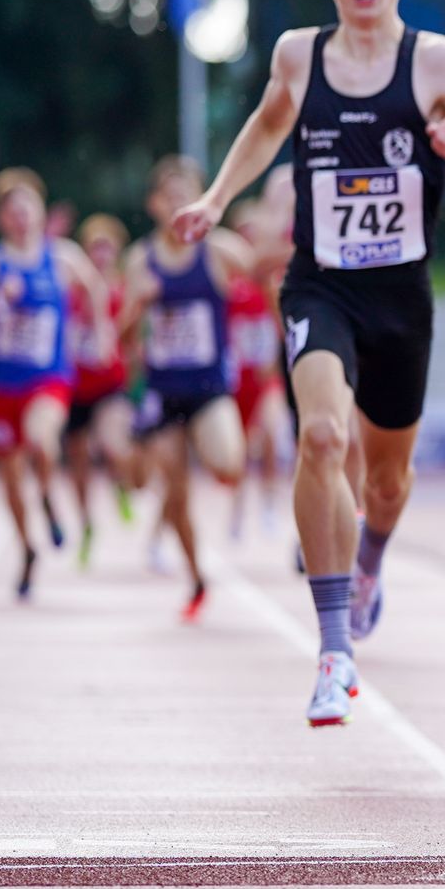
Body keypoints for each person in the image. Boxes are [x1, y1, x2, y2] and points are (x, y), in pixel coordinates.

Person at [173, 0, 445, 727]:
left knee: (386, 479)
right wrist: (219, 198)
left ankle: (370, 556)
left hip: (402, 297)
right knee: (323, 437)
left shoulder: (438, 63)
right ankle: (334, 647)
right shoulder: (300, 55)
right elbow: (267, 127)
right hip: (320, 286)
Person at [0, 168, 107, 599]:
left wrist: (100, 333)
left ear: (41, 213)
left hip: (50, 379)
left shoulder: (60, 257)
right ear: (0, 219)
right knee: (9, 482)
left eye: (28, 207)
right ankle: (27, 548)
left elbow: (96, 288)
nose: (22, 216)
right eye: (12, 210)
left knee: (41, 440)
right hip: (6, 387)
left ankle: (46, 492)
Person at [122, 156, 255, 622]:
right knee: (175, 496)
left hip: (208, 388)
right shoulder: (141, 258)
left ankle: (217, 466)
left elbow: (271, 282)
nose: (178, 202)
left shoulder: (220, 250)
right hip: (162, 392)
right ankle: (197, 575)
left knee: (228, 464)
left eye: (188, 192)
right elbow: (121, 338)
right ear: (155, 204)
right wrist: (138, 305)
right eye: (169, 194)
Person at [64, 213, 142, 560]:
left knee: (114, 445)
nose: (101, 255)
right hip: (75, 386)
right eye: (95, 248)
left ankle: (120, 485)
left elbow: (133, 338)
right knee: (78, 461)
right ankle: (85, 525)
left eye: (107, 248)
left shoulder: (123, 290)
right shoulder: (74, 290)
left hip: (111, 383)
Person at [228, 199, 292, 541]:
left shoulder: (272, 279)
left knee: (270, 433)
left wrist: (275, 358)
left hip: (266, 374)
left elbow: (280, 325)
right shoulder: (230, 278)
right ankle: (236, 510)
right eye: (243, 233)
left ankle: (269, 502)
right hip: (236, 375)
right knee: (237, 449)